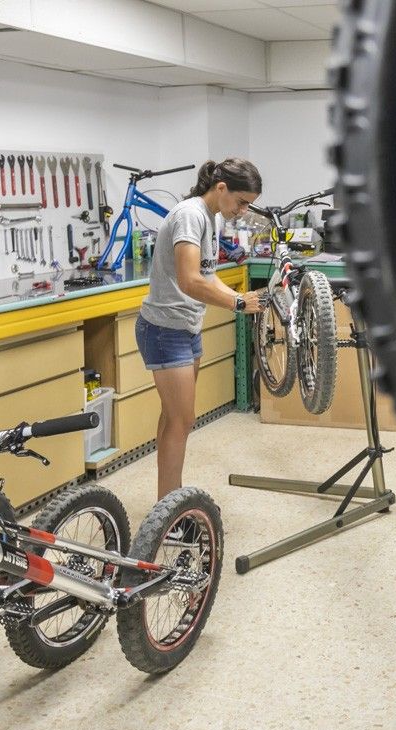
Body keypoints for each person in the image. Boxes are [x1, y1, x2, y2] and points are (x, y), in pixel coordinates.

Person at [137, 158, 265, 498]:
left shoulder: (208, 217)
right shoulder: (190, 216)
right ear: (221, 188)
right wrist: (237, 303)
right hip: (165, 330)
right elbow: (190, 280)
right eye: (241, 202)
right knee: (183, 420)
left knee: (174, 418)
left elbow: (207, 275)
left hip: (185, 327)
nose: (242, 210)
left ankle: (167, 501)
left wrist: (240, 296)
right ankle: (171, 512)